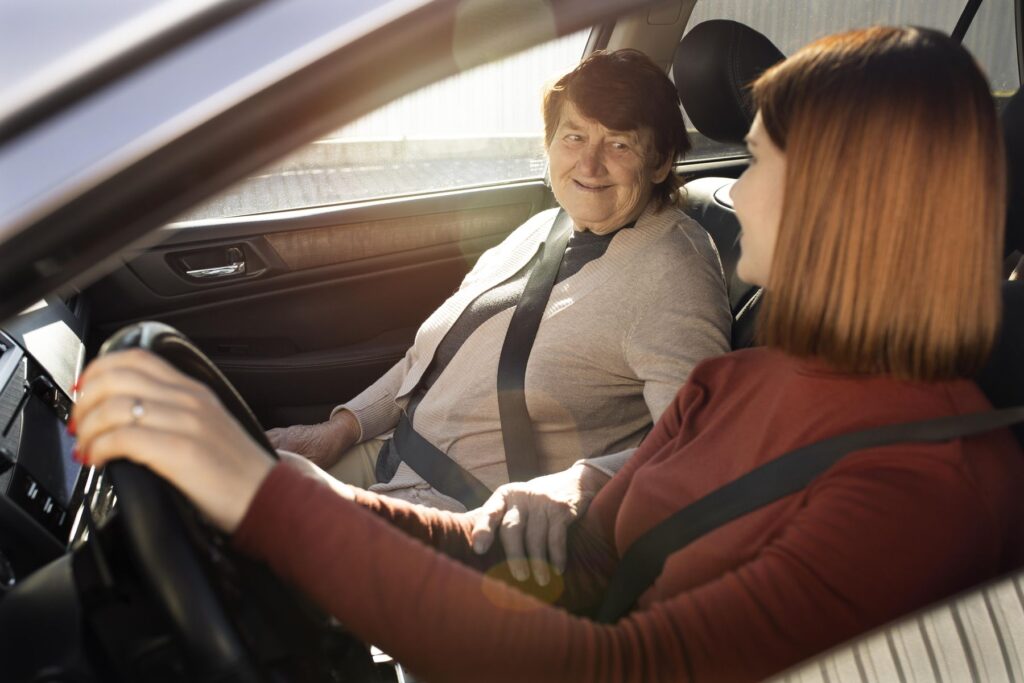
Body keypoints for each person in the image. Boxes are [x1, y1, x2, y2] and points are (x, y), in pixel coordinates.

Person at [71, 27, 1024, 681]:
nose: (736, 188)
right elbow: (572, 553)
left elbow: (616, 667)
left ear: (841, 205)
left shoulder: (922, 491)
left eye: (761, 158)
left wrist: (264, 502)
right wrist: (314, 494)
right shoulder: (744, 379)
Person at [266, 49, 731, 512]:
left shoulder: (674, 273)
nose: (588, 165)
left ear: (660, 161)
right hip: (394, 450)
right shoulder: (542, 228)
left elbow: (693, 446)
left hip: (465, 511)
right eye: (574, 137)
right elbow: (427, 359)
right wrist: (339, 430)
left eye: (619, 145)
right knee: (240, 476)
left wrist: (579, 485)